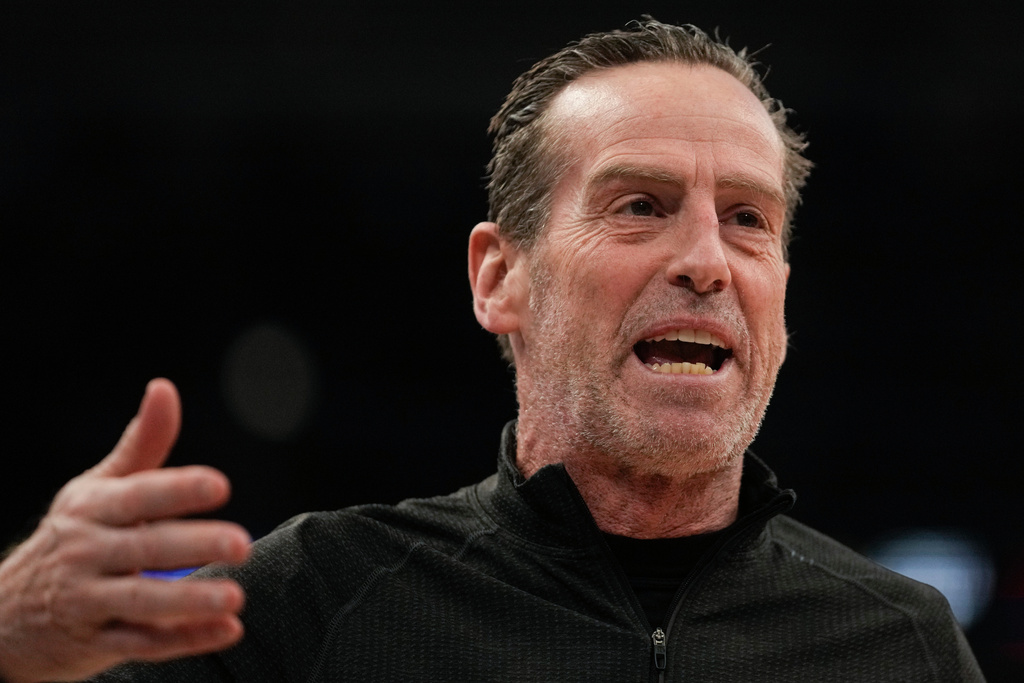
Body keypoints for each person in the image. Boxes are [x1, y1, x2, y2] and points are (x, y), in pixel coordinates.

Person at [0, 19, 984, 682]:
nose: (703, 261)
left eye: (746, 219)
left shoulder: (901, 643)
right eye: (639, 206)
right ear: (497, 277)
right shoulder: (315, 599)